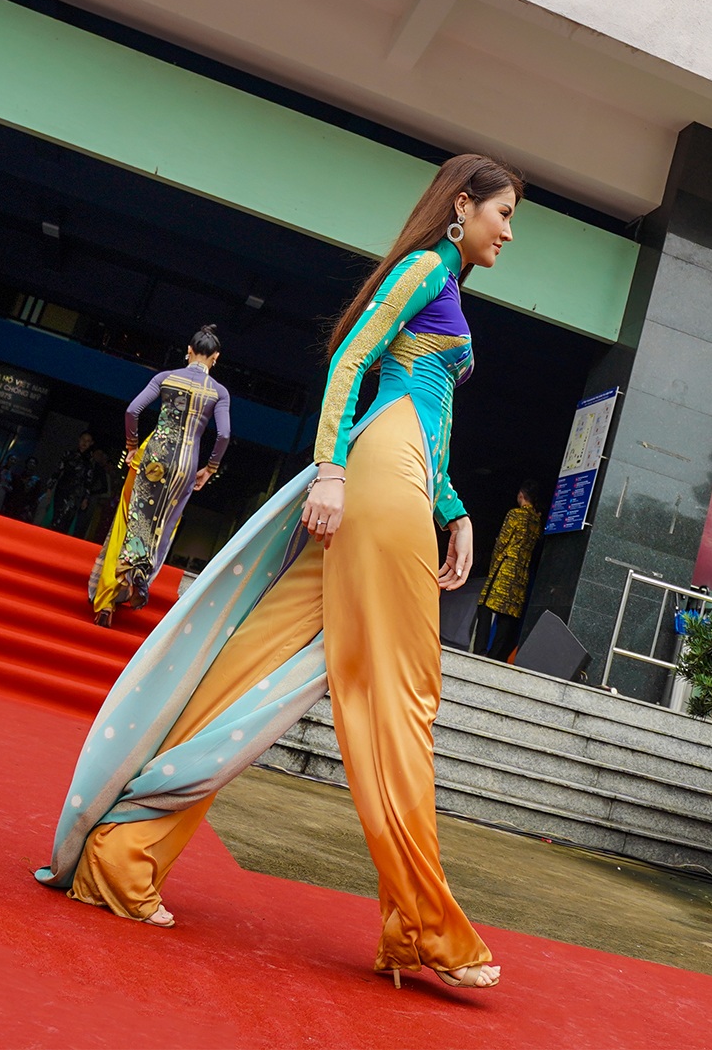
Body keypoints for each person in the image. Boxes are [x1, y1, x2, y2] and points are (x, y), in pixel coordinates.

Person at [35, 154, 520, 991]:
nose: (508, 232)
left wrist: (456, 507)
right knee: (402, 697)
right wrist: (330, 472)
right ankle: (424, 926)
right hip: (376, 477)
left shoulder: (447, 284)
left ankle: (122, 854)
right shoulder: (424, 268)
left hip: (400, 475)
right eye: (503, 213)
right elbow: (350, 365)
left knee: (252, 659)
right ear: (461, 206)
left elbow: (419, 409)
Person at [87, 326, 234, 626]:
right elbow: (224, 434)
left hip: (153, 456)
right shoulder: (219, 392)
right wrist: (211, 468)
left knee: (131, 520)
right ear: (215, 358)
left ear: (189, 351)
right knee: (162, 526)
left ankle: (107, 601)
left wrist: (131, 447)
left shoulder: (166, 378)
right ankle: (139, 579)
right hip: (186, 464)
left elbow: (133, 411)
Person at [471, 481, 543, 662]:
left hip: (505, 568)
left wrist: (494, 563)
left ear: (521, 495)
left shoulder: (515, 514)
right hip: (521, 572)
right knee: (508, 614)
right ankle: (496, 654)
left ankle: (480, 650)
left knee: (485, 606)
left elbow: (502, 542)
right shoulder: (537, 521)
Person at [50, 431, 102, 536]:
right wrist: (50, 487)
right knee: (57, 514)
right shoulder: (69, 454)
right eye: (83, 440)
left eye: (88, 441)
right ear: (79, 439)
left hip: (77, 493)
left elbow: (88, 480)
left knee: (67, 518)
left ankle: (58, 541)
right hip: (63, 489)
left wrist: (86, 498)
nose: (84, 443)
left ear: (91, 443)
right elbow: (58, 470)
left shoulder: (89, 461)